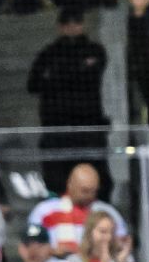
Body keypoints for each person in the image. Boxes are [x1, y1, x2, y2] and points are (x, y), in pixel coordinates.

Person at [24, 11, 108, 193]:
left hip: (88, 127)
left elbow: (90, 77)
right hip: (57, 127)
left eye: (76, 22)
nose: (72, 27)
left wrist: (55, 76)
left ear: (83, 24)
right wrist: (78, 69)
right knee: (57, 180)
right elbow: (33, 85)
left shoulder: (94, 50)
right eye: (67, 23)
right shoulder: (49, 53)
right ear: (60, 27)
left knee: (95, 177)